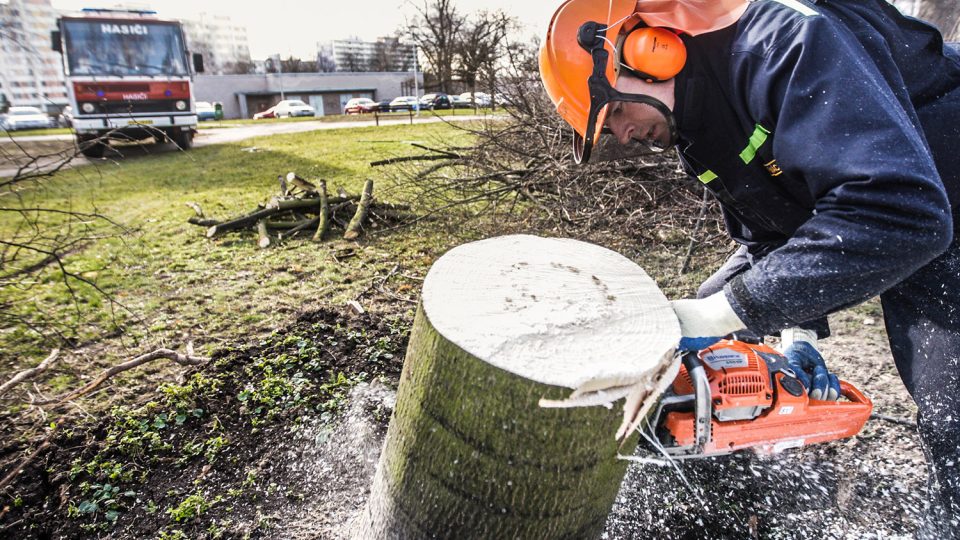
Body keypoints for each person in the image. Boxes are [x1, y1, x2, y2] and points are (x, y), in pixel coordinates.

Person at [540, 0, 960, 534]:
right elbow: (772, 236)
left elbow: (899, 211)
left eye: (615, 112)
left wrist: (725, 311)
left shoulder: (787, 43)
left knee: (953, 411)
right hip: (911, 216)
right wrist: (795, 328)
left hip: (934, 203)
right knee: (704, 341)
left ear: (648, 51)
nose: (621, 135)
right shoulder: (698, 125)